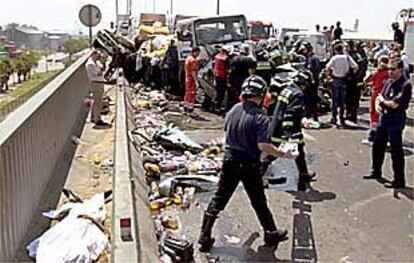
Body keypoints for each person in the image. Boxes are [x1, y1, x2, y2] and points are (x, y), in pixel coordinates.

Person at [198, 75, 294, 252]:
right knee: (258, 201)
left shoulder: (234, 109)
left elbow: (227, 130)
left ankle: (204, 237)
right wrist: (283, 154)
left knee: (219, 199)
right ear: (261, 94)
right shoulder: (260, 116)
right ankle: (271, 233)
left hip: (230, 161)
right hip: (249, 164)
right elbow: (263, 145)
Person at [265, 70, 317, 191]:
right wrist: (289, 133)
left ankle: (304, 175)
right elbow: (291, 114)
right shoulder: (297, 94)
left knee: (299, 151)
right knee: (273, 153)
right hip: (286, 129)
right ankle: (257, 175)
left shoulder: (287, 89)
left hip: (279, 125)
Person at [364, 60, 412, 189]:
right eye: (389, 69)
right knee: (378, 145)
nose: (390, 71)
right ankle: (376, 171)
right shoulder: (389, 82)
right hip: (384, 118)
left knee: (396, 150)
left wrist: (382, 101)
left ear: (401, 70)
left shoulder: (405, 84)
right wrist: (377, 104)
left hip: (396, 120)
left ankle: (399, 180)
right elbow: (380, 96)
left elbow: (394, 104)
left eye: (393, 69)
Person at [326, 43, 358, 126]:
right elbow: (355, 67)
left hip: (335, 79)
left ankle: (334, 117)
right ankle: (341, 117)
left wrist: (328, 77)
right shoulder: (346, 57)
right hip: (344, 79)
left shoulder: (334, 58)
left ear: (336, 50)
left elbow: (327, 67)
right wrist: (349, 73)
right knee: (342, 101)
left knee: (334, 100)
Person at [364, 56, 389, 143]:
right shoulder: (389, 73)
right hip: (385, 96)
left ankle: (372, 136)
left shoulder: (376, 73)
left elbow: (366, 80)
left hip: (376, 95)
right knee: (383, 115)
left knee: (374, 114)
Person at [228, 44, 256, 111]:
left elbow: (230, 71)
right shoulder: (248, 59)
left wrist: (230, 81)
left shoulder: (234, 59)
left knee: (235, 96)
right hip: (244, 80)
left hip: (235, 81)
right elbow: (251, 71)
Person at [85, 50, 109, 127]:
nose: (98, 57)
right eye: (97, 55)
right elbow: (100, 72)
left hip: (97, 83)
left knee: (95, 101)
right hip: (96, 83)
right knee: (98, 102)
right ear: (93, 54)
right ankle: (97, 119)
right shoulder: (90, 64)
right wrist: (103, 62)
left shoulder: (94, 63)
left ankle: (93, 117)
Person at [302, 42, 322, 121]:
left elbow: (316, 70)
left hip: (313, 83)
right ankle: (308, 115)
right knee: (307, 100)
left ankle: (314, 116)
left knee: (313, 100)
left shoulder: (314, 58)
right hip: (308, 83)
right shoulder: (307, 57)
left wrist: (313, 79)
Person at [213, 45, 231, 113]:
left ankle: (215, 105)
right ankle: (217, 107)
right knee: (221, 92)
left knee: (218, 91)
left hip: (217, 76)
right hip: (222, 77)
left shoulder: (217, 56)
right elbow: (228, 70)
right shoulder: (226, 58)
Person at [184, 46, 201, 113]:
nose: (198, 54)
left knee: (187, 93)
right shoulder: (193, 61)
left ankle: (186, 107)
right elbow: (193, 72)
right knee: (192, 94)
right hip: (191, 79)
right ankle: (190, 109)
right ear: (194, 52)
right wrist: (196, 81)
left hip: (187, 78)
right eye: (198, 53)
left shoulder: (188, 58)